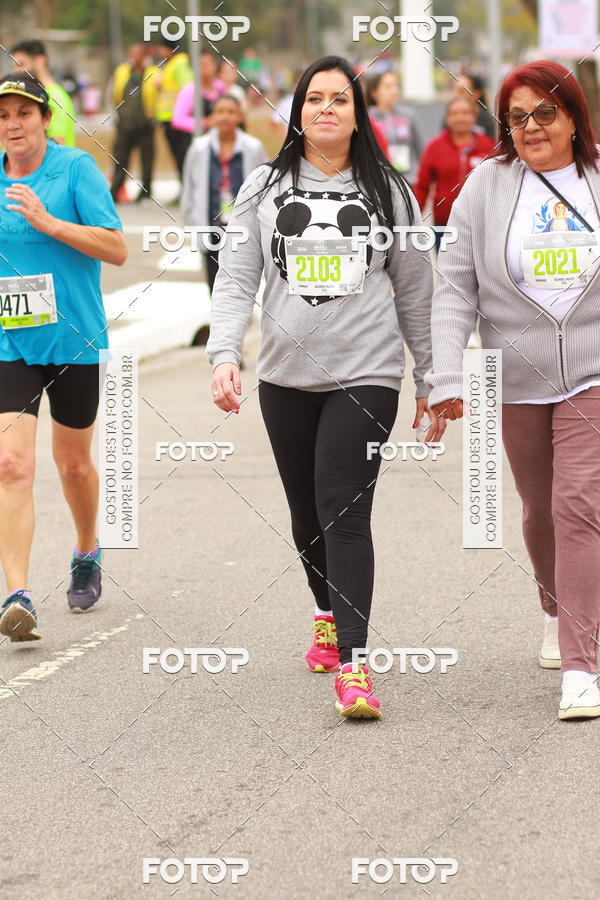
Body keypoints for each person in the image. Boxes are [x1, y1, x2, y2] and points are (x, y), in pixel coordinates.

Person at [207, 56, 445, 718]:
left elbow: (416, 289)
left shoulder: (389, 190)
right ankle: (324, 613)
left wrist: (431, 378)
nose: (327, 109)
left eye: (340, 99)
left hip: (367, 373)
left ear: (358, 114)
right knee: (307, 514)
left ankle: (355, 665)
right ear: (298, 111)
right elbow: (236, 277)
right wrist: (223, 353)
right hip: (284, 376)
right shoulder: (263, 186)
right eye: (315, 98)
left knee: (344, 508)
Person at [426, 60, 600, 721]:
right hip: (517, 375)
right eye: (517, 117)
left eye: (545, 112)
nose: (531, 127)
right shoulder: (486, 185)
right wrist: (445, 376)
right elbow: (454, 288)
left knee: (578, 504)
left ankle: (583, 667)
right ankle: (555, 610)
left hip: (593, 370)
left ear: (573, 116)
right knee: (539, 508)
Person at [0, 73, 127, 641]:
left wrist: (49, 223)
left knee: (73, 465)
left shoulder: (75, 169)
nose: (13, 125)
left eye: (23, 113)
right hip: (11, 342)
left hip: (74, 340)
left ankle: (85, 549)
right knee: (10, 465)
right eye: (3, 116)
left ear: (45, 118)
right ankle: (18, 595)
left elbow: (116, 248)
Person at [182, 94, 266, 293]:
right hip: (211, 224)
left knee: (242, 280)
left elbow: (265, 186)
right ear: (212, 116)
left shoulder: (253, 148)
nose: (225, 116)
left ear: (240, 116)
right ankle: (217, 311)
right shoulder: (199, 148)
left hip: (242, 226)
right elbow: (190, 187)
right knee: (214, 281)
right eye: (220, 112)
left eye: (231, 112)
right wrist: (191, 220)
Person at [413, 97, 496, 252]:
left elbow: (497, 184)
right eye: (454, 113)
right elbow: (422, 187)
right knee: (446, 266)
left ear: (474, 117)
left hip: (481, 223)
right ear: (447, 118)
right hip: (444, 224)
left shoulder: (488, 146)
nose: (460, 117)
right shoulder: (435, 147)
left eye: (465, 113)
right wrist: (413, 219)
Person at [110, 44, 158, 202]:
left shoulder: (153, 73)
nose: (135, 58)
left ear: (144, 56)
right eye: (132, 54)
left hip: (145, 124)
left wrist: (153, 118)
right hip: (125, 124)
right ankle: (115, 191)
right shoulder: (122, 71)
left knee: (147, 160)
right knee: (120, 159)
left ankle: (145, 193)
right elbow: (114, 94)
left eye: (138, 54)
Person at [10, 39, 77, 146]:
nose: (16, 71)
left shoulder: (54, 97)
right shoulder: (36, 94)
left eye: (21, 64)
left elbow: (58, 144)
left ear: (40, 61)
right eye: (14, 66)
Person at [366, 71, 425, 182]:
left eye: (396, 86)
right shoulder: (366, 117)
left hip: (408, 179)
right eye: (388, 86)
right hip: (378, 180)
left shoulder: (409, 115)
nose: (394, 91)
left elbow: (421, 150)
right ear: (374, 93)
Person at [154, 39, 193, 180]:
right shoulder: (168, 64)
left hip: (178, 119)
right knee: (177, 156)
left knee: (183, 155)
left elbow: (187, 86)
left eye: (162, 48)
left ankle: (187, 185)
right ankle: (183, 184)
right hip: (168, 118)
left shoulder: (179, 62)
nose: (160, 51)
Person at [171, 51, 226, 136]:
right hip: (197, 138)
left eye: (208, 64)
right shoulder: (189, 90)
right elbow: (177, 120)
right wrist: (206, 123)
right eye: (201, 65)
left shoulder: (220, 87)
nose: (206, 69)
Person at [453, 73, 497, 139]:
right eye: (455, 90)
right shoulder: (451, 117)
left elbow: (491, 143)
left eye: (462, 91)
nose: (457, 95)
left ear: (476, 94)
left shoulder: (486, 119)